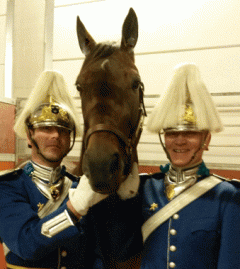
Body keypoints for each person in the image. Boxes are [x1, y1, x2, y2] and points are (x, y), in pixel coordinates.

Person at [0, 70, 143, 269]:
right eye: (46, 128)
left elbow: (102, 252)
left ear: (71, 138)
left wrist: (125, 199)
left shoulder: (79, 186)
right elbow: (26, 245)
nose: (55, 136)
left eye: (63, 130)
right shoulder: (9, 187)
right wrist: (73, 210)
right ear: (29, 134)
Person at [139, 63, 240, 268]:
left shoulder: (227, 196)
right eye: (172, 133)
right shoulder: (143, 189)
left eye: (190, 133)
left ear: (206, 139)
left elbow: (230, 262)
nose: (180, 141)